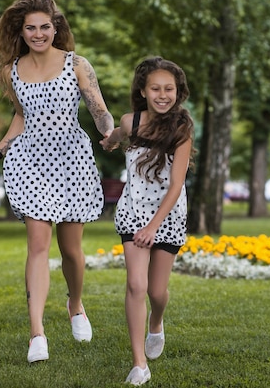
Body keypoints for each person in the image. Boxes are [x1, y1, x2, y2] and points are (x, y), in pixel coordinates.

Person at [0, 0, 114, 363]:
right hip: (30, 162)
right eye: (30, 28)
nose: (38, 34)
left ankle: (76, 304)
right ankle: (37, 333)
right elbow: (21, 117)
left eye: (45, 27)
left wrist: (110, 132)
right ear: (20, 31)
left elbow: (98, 109)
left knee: (70, 251)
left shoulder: (76, 63)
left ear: (56, 28)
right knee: (37, 245)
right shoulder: (12, 70)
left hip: (72, 161)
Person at [101, 57, 195, 386]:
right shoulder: (132, 121)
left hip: (167, 216)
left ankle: (157, 322)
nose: (162, 94)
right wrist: (110, 141)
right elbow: (116, 135)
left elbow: (176, 185)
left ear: (178, 92)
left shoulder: (182, 129)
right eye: (155, 88)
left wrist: (153, 226)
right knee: (135, 285)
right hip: (133, 211)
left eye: (169, 88)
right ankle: (139, 364)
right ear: (143, 91)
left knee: (156, 291)